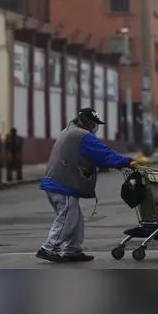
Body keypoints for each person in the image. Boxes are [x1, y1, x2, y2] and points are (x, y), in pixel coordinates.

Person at [37, 108, 139, 263]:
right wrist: (127, 162)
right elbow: (104, 154)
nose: (95, 126)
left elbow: (97, 156)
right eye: (93, 123)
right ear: (86, 122)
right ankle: (49, 248)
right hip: (62, 183)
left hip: (57, 182)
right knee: (67, 219)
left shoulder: (69, 131)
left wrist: (119, 164)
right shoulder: (82, 136)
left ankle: (72, 250)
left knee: (75, 219)